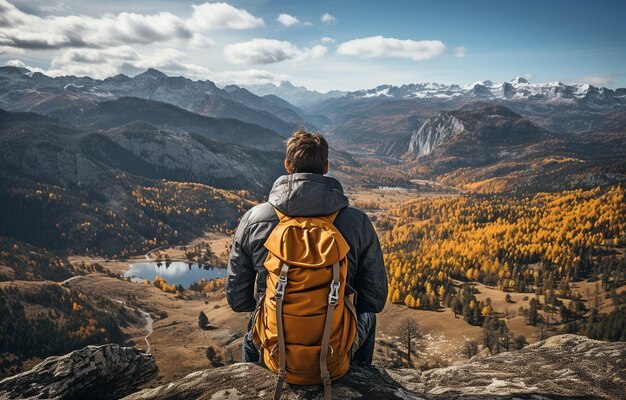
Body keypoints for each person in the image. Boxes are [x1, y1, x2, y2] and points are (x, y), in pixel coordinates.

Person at [226, 128, 387, 365]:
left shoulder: (255, 218)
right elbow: (374, 300)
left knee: (254, 331)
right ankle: (354, 377)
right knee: (368, 317)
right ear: (326, 167)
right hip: (334, 347)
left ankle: (256, 376)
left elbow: (238, 301)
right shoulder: (357, 221)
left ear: (287, 165)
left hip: (274, 347)